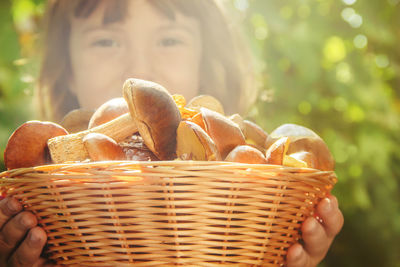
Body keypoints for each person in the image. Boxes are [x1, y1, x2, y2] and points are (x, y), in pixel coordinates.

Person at [0, 1, 344, 266]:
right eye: (105, 41)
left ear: (205, 60)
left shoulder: (248, 187)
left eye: (169, 39)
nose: (141, 66)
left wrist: (276, 248)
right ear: (68, 70)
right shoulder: (42, 193)